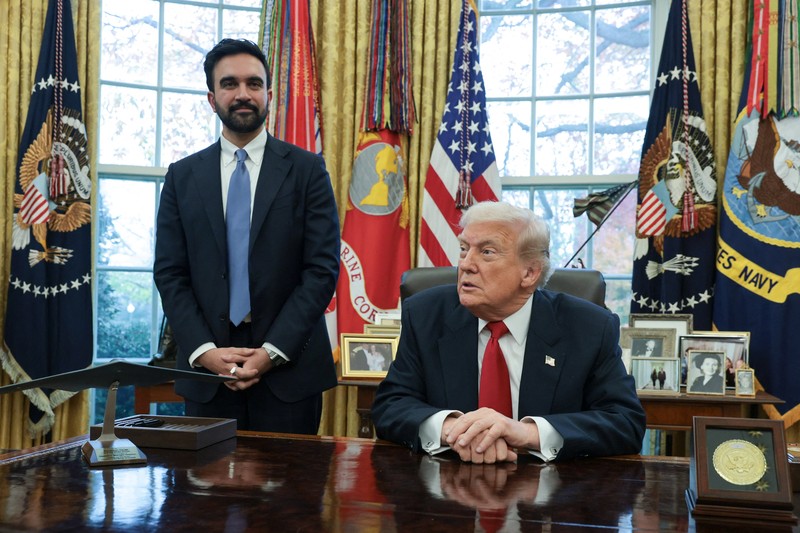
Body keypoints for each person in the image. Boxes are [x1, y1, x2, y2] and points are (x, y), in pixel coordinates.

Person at [153, 38, 340, 433]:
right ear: (211, 97)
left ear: (268, 95)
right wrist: (205, 353)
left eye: (254, 84)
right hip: (208, 375)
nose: (243, 94)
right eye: (230, 84)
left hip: (290, 373)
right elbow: (170, 274)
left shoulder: (308, 171)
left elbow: (321, 271)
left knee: (291, 496)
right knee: (205, 495)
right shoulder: (182, 177)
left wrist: (271, 353)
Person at [371, 201, 646, 463]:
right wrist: (455, 430)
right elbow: (391, 406)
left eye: (487, 252)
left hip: (551, 497)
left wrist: (525, 433)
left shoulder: (589, 327)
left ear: (529, 273)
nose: (466, 264)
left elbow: (624, 422)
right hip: (447, 488)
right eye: (464, 249)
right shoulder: (425, 315)